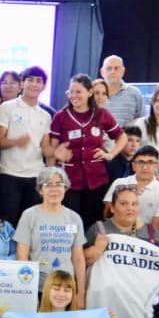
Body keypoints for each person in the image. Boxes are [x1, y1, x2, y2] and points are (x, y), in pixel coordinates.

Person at [46, 74, 121, 229]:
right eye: (71, 92)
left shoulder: (101, 114)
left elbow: (122, 137)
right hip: (69, 180)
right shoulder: (60, 117)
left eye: (78, 91)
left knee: (93, 222)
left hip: (96, 179)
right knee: (69, 222)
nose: (74, 96)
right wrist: (51, 177)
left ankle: (91, 252)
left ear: (89, 92)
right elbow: (52, 150)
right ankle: (72, 253)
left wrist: (110, 154)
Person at [0, 65, 51, 226]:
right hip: (10, 174)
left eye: (39, 81)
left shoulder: (45, 115)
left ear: (43, 86)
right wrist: (16, 142)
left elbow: (45, 148)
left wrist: (58, 153)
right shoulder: (7, 107)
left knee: (30, 224)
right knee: (7, 223)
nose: (34, 84)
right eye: (30, 80)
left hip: (35, 176)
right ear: (22, 84)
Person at [15, 167, 88, 300]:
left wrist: (81, 293)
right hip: (37, 288)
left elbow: (78, 258)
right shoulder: (29, 215)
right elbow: (22, 256)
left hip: (66, 289)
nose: (54, 189)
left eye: (59, 184)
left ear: (65, 188)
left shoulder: (74, 218)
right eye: (48, 185)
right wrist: (26, 290)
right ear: (40, 190)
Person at [84, 184, 159, 265]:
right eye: (123, 204)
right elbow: (77, 260)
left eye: (134, 204)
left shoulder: (151, 231)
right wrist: (96, 250)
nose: (130, 208)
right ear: (112, 208)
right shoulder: (99, 229)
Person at [105, 146, 159, 232]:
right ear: (133, 166)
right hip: (116, 233)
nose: (145, 167)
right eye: (141, 162)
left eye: (150, 162)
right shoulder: (119, 183)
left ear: (157, 167)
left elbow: (157, 230)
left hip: (145, 239)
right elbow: (106, 215)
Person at [99, 55, 145, 128]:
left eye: (116, 68)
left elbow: (143, 122)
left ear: (123, 71)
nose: (113, 71)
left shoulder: (135, 93)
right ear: (102, 72)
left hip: (127, 138)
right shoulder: (93, 94)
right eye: (109, 68)